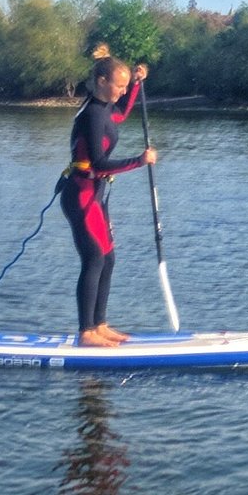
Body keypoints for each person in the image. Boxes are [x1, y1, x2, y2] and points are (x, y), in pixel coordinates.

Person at [60, 49, 156, 347]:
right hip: (80, 194)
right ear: (101, 82)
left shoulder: (104, 109)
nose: (123, 91)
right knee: (94, 258)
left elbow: (121, 114)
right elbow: (99, 163)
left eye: (125, 86)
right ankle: (85, 332)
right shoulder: (90, 114)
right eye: (120, 85)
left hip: (96, 195)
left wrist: (137, 84)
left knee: (108, 258)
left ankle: (99, 325)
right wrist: (140, 161)